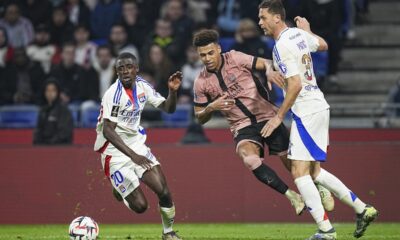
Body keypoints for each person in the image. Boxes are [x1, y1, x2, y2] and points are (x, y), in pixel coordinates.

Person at [257, 1, 378, 239]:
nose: (260, 22)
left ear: (277, 18)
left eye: (263, 17)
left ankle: (326, 231)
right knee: (313, 172)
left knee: (299, 173)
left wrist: (278, 117)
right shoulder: (297, 35)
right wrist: (309, 29)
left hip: (306, 110)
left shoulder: (281, 46)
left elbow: (295, 84)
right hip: (319, 106)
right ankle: (363, 209)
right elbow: (323, 44)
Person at [192, 29, 307, 216]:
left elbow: (267, 63)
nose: (207, 58)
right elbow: (200, 116)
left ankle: (319, 187)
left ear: (219, 49)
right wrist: (212, 107)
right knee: (250, 160)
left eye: (210, 53)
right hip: (242, 126)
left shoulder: (235, 58)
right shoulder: (201, 82)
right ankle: (292, 196)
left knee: (295, 168)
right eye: (202, 55)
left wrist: (270, 71)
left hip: (268, 117)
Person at [93, 52, 182, 240]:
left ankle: (168, 233)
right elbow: (109, 131)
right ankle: (120, 190)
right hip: (114, 152)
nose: (125, 71)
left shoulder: (143, 86)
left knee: (163, 190)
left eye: (129, 67)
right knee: (141, 207)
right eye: (120, 68)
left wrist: (172, 92)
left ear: (136, 69)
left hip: (136, 145)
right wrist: (133, 156)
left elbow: (168, 108)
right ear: (116, 72)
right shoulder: (113, 94)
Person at [33, 79, 74, 145]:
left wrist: (48, 144)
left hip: (60, 149)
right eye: (48, 90)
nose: (50, 93)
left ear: (58, 92)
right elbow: (38, 131)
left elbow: (64, 133)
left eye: (53, 90)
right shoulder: (42, 111)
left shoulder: (64, 111)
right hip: (42, 149)